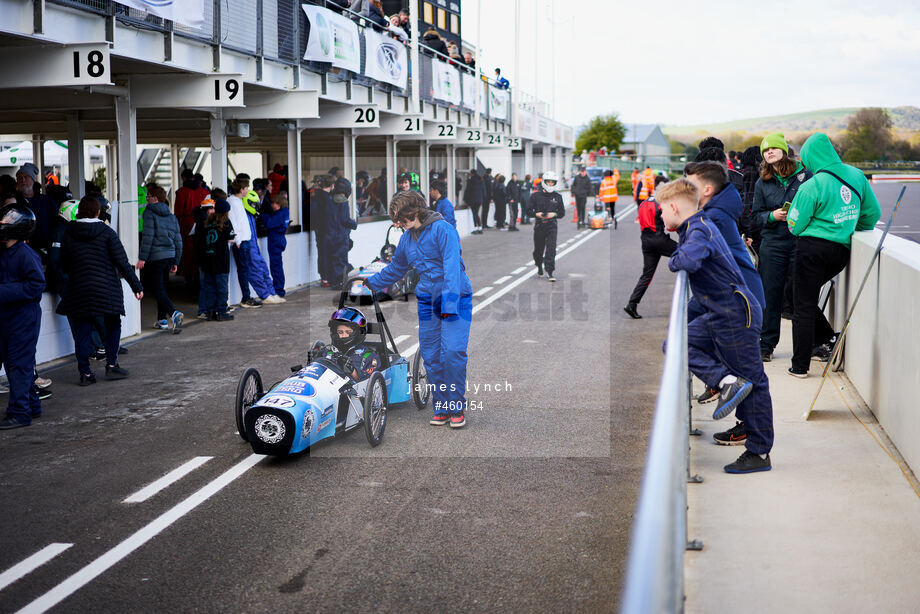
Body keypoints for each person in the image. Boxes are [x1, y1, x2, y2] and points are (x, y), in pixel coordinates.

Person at [657, 179, 774, 474]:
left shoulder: (698, 229)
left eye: (661, 210)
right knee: (675, 342)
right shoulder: (696, 226)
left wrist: (674, 259)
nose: (660, 216)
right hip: (721, 312)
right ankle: (725, 382)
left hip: (734, 313)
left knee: (753, 381)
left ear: (673, 206)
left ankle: (759, 453)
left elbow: (688, 260)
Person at [363, 191, 472, 428]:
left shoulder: (443, 230)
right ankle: (441, 406)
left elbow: (452, 268)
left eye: (402, 219)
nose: (399, 224)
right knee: (432, 356)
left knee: (452, 353)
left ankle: (456, 406)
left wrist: (449, 305)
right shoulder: (406, 239)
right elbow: (396, 268)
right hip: (427, 300)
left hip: (455, 296)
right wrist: (371, 282)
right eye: (397, 220)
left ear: (416, 211)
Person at [786, 132, 881, 378]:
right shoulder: (856, 176)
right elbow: (872, 214)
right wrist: (847, 228)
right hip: (841, 252)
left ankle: (800, 366)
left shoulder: (812, 185)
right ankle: (829, 338)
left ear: (810, 158)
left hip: (811, 251)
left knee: (802, 306)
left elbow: (794, 224)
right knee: (798, 297)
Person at [57, 196, 143, 385]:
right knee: (113, 324)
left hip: (79, 289)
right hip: (106, 289)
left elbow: (64, 263)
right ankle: (112, 366)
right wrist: (137, 286)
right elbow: (122, 261)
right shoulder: (106, 232)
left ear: (79, 212)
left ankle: (85, 373)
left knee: (83, 331)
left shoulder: (69, 232)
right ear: (98, 212)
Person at [752, 133, 813, 363]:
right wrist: (771, 216)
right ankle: (766, 345)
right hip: (773, 244)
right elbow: (755, 216)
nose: (769, 153)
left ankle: (809, 346)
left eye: (773, 149)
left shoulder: (806, 176)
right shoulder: (762, 182)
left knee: (801, 296)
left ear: (784, 151)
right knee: (770, 295)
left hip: (800, 242)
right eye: (765, 151)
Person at [0, 205, 44, 430]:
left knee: (19, 365)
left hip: (23, 318)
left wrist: (3, 292)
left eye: (8, 220)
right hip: (9, 318)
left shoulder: (25, 254)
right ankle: (31, 406)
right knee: (14, 364)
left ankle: (20, 413)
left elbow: (36, 285)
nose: (3, 223)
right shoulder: (7, 252)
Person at [624, 175, 675, 319]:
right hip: (659, 238)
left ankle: (632, 304)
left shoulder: (644, 202)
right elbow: (670, 225)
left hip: (645, 240)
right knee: (685, 253)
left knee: (647, 275)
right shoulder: (661, 203)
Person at [138, 185, 184, 333]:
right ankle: (162, 320)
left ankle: (173, 314)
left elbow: (148, 237)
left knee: (158, 290)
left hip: (156, 257)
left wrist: (142, 258)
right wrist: (176, 260)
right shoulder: (171, 216)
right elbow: (178, 240)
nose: (147, 199)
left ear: (155, 198)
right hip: (169, 256)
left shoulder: (149, 213)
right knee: (163, 289)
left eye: (148, 196)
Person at [313, 308, 382, 383]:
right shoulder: (328, 352)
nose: (344, 336)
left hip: (350, 392)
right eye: (340, 332)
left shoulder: (369, 356)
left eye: (348, 332)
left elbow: (367, 381)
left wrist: (351, 370)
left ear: (359, 332)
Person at [198, 199, 235, 321]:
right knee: (222, 288)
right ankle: (221, 312)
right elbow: (230, 238)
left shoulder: (207, 222)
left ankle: (210, 312)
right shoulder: (226, 223)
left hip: (207, 260)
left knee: (210, 287)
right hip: (221, 260)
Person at [527, 170, 566, 282]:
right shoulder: (535, 196)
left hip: (552, 226)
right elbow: (528, 211)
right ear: (544, 181)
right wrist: (536, 214)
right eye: (548, 182)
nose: (550, 184)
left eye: (552, 182)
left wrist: (553, 214)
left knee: (551, 249)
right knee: (538, 251)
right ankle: (539, 265)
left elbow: (562, 213)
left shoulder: (558, 196)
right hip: (539, 226)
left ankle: (550, 271)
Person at [227, 179, 261, 307]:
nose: (248, 190)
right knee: (243, 269)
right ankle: (246, 298)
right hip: (240, 242)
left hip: (245, 240)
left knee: (245, 269)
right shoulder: (232, 202)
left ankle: (246, 297)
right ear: (241, 189)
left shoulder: (240, 201)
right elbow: (234, 222)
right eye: (246, 188)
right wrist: (238, 240)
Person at [173, 169, 210, 284]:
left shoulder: (181, 192)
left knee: (187, 251)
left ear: (184, 178)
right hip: (203, 223)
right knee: (201, 248)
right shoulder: (204, 192)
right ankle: (200, 276)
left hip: (186, 223)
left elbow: (178, 212)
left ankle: (189, 277)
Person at [15, 163, 55, 257]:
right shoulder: (15, 201)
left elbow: (55, 222)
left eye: (26, 177)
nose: (22, 180)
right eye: (19, 177)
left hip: (45, 250)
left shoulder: (46, 201)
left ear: (33, 180)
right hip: (23, 251)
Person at [325, 178, 358, 288]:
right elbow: (345, 220)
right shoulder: (343, 202)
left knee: (333, 259)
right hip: (340, 236)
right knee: (341, 260)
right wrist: (354, 224)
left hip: (330, 235)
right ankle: (339, 282)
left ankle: (333, 281)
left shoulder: (329, 200)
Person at [261, 191, 290, 298]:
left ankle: (278, 290)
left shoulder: (281, 213)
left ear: (281, 204)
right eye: (273, 203)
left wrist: (263, 215)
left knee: (276, 266)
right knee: (277, 266)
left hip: (275, 241)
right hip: (279, 240)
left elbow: (269, 223)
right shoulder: (284, 212)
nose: (273, 205)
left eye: (276, 203)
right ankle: (278, 288)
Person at [463, 169, 485, 234]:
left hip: (473, 200)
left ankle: (476, 227)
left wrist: (466, 200)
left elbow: (468, 191)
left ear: (472, 174)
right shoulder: (481, 180)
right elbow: (484, 191)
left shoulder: (470, 181)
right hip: (479, 200)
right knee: (477, 213)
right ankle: (480, 228)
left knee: (474, 214)